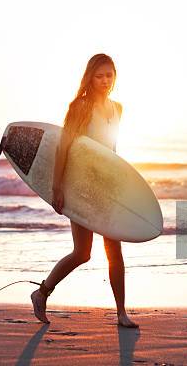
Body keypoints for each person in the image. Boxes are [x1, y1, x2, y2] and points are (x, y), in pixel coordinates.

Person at [30, 53, 138, 328]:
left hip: (108, 189)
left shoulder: (118, 108)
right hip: (80, 186)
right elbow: (64, 146)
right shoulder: (80, 106)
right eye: (99, 75)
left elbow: (110, 151)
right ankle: (42, 292)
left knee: (115, 250)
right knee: (83, 253)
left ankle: (121, 313)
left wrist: (122, 182)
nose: (104, 80)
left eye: (109, 75)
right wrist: (57, 187)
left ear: (115, 77)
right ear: (90, 77)